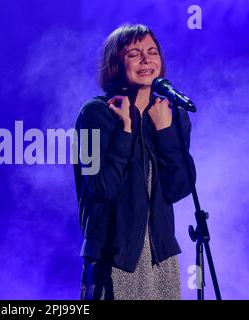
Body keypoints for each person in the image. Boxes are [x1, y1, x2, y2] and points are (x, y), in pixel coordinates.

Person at [73, 23, 196, 300]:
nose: (146, 59)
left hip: (161, 258)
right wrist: (126, 131)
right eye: (134, 53)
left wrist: (164, 132)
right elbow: (101, 187)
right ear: (115, 63)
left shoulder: (171, 114)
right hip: (114, 256)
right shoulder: (93, 115)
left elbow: (180, 188)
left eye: (153, 52)